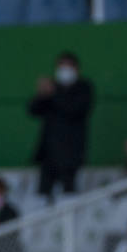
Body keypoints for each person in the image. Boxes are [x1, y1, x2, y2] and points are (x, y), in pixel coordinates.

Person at [29, 52, 94, 200]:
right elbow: (33, 110)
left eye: (67, 66)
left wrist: (54, 93)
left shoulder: (84, 88)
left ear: (76, 69)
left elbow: (74, 110)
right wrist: (40, 94)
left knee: (69, 195)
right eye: (61, 66)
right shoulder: (52, 87)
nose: (64, 70)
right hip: (48, 153)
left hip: (71, 154)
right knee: (43, 195)